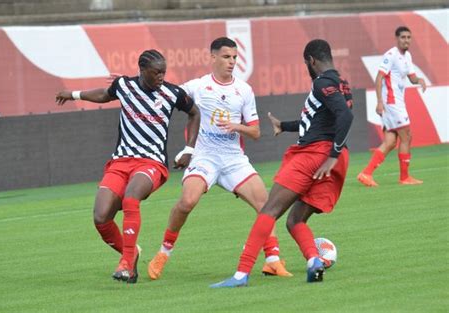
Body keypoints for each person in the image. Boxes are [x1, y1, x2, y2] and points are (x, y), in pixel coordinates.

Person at [210, 39, 353, 288]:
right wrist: (284, 126)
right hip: (331, 157)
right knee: (295, 220)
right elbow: (321, 120)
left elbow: (345, 115)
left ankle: (241, 274)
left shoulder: (322, 82)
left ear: (311, 61)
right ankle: (314, 261)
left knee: (268, 210)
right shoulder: (342, 84)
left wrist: (333, 153)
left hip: (315, 156)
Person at [147, 37, 292, 281]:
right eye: (226, 57)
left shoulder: (243, 90)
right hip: (204, 156)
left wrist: (237, 126)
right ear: (213, 57)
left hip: (233, 159)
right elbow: (168, 96)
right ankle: (163, 253)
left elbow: (256, 132)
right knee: (187, 202)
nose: (232, 62)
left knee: (266, 205)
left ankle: (272, 260)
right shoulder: (198, 86)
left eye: (235, 57)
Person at [55, 49, 200, 284]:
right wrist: (73, 94)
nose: (161, 77)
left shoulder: (173, 93)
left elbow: (195, 113)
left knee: (131, 198)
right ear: (142, 71)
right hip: (120, 162)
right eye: (156, 73)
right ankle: (132, 254)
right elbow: (104, 94)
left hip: (151, 162)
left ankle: (126, 265)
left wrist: (189, 149)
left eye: (164, 72)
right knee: (101, 217)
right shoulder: (124, 86)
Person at [357, 26, 427, 187]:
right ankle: (404, 177)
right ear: (397, 39)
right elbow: (379, 78)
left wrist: (420, 80)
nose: (406, 40)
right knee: (406, 136)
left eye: (409, 37)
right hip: (391, 102)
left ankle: (366, 173)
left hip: (397, 102)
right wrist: (380, 101)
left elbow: (411, 76)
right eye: (403, 37)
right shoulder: (391, 55)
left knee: (390, 141)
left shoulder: (407, 55)